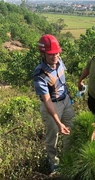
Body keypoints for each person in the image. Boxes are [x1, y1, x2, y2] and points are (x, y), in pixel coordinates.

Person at [33, 34, 75, 174]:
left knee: (71, 131)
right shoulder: (40, 74)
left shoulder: (59, 61)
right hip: (52, 106)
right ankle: (54, 163)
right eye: (51, 54)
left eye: (57, 53)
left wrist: (69, 96)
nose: (55, 56)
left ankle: (69, 159)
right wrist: (58, 123)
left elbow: (62, 81)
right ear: (42, 53)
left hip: (66, 102)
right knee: (53, 136)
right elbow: (47, 101)